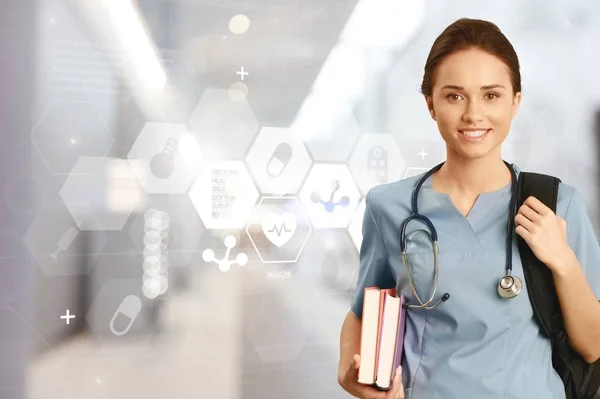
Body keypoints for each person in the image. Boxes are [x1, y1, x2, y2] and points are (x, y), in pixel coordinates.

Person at [337, 17, 600, 399]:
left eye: (491, 95)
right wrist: (350, 369)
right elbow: (363, 310)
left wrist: (562, 260)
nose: (473, 114)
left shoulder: (557, 204)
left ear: (515, 102)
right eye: (454, 96)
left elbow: (593, 345)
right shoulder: (389, 207)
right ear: (430, 104)